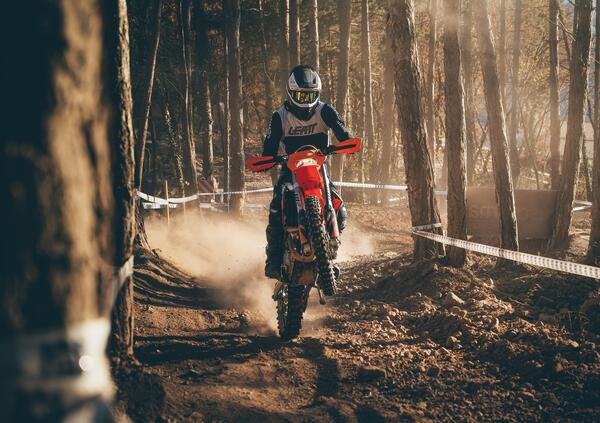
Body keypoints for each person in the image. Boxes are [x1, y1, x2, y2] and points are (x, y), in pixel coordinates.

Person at [262, 64, 351, 279]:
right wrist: (268, 160)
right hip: (290, 169)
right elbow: (269, 149)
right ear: (290, 93)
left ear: (317, 93)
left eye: (309, 96)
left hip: (317, 168)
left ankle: (330, 250)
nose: (305, 101)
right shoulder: (280, 116)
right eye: (300, 96)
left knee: (339, 207)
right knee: (276, 208)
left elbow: (344, 134)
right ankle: (273, 260)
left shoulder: (325, 111)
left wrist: (344, 143)